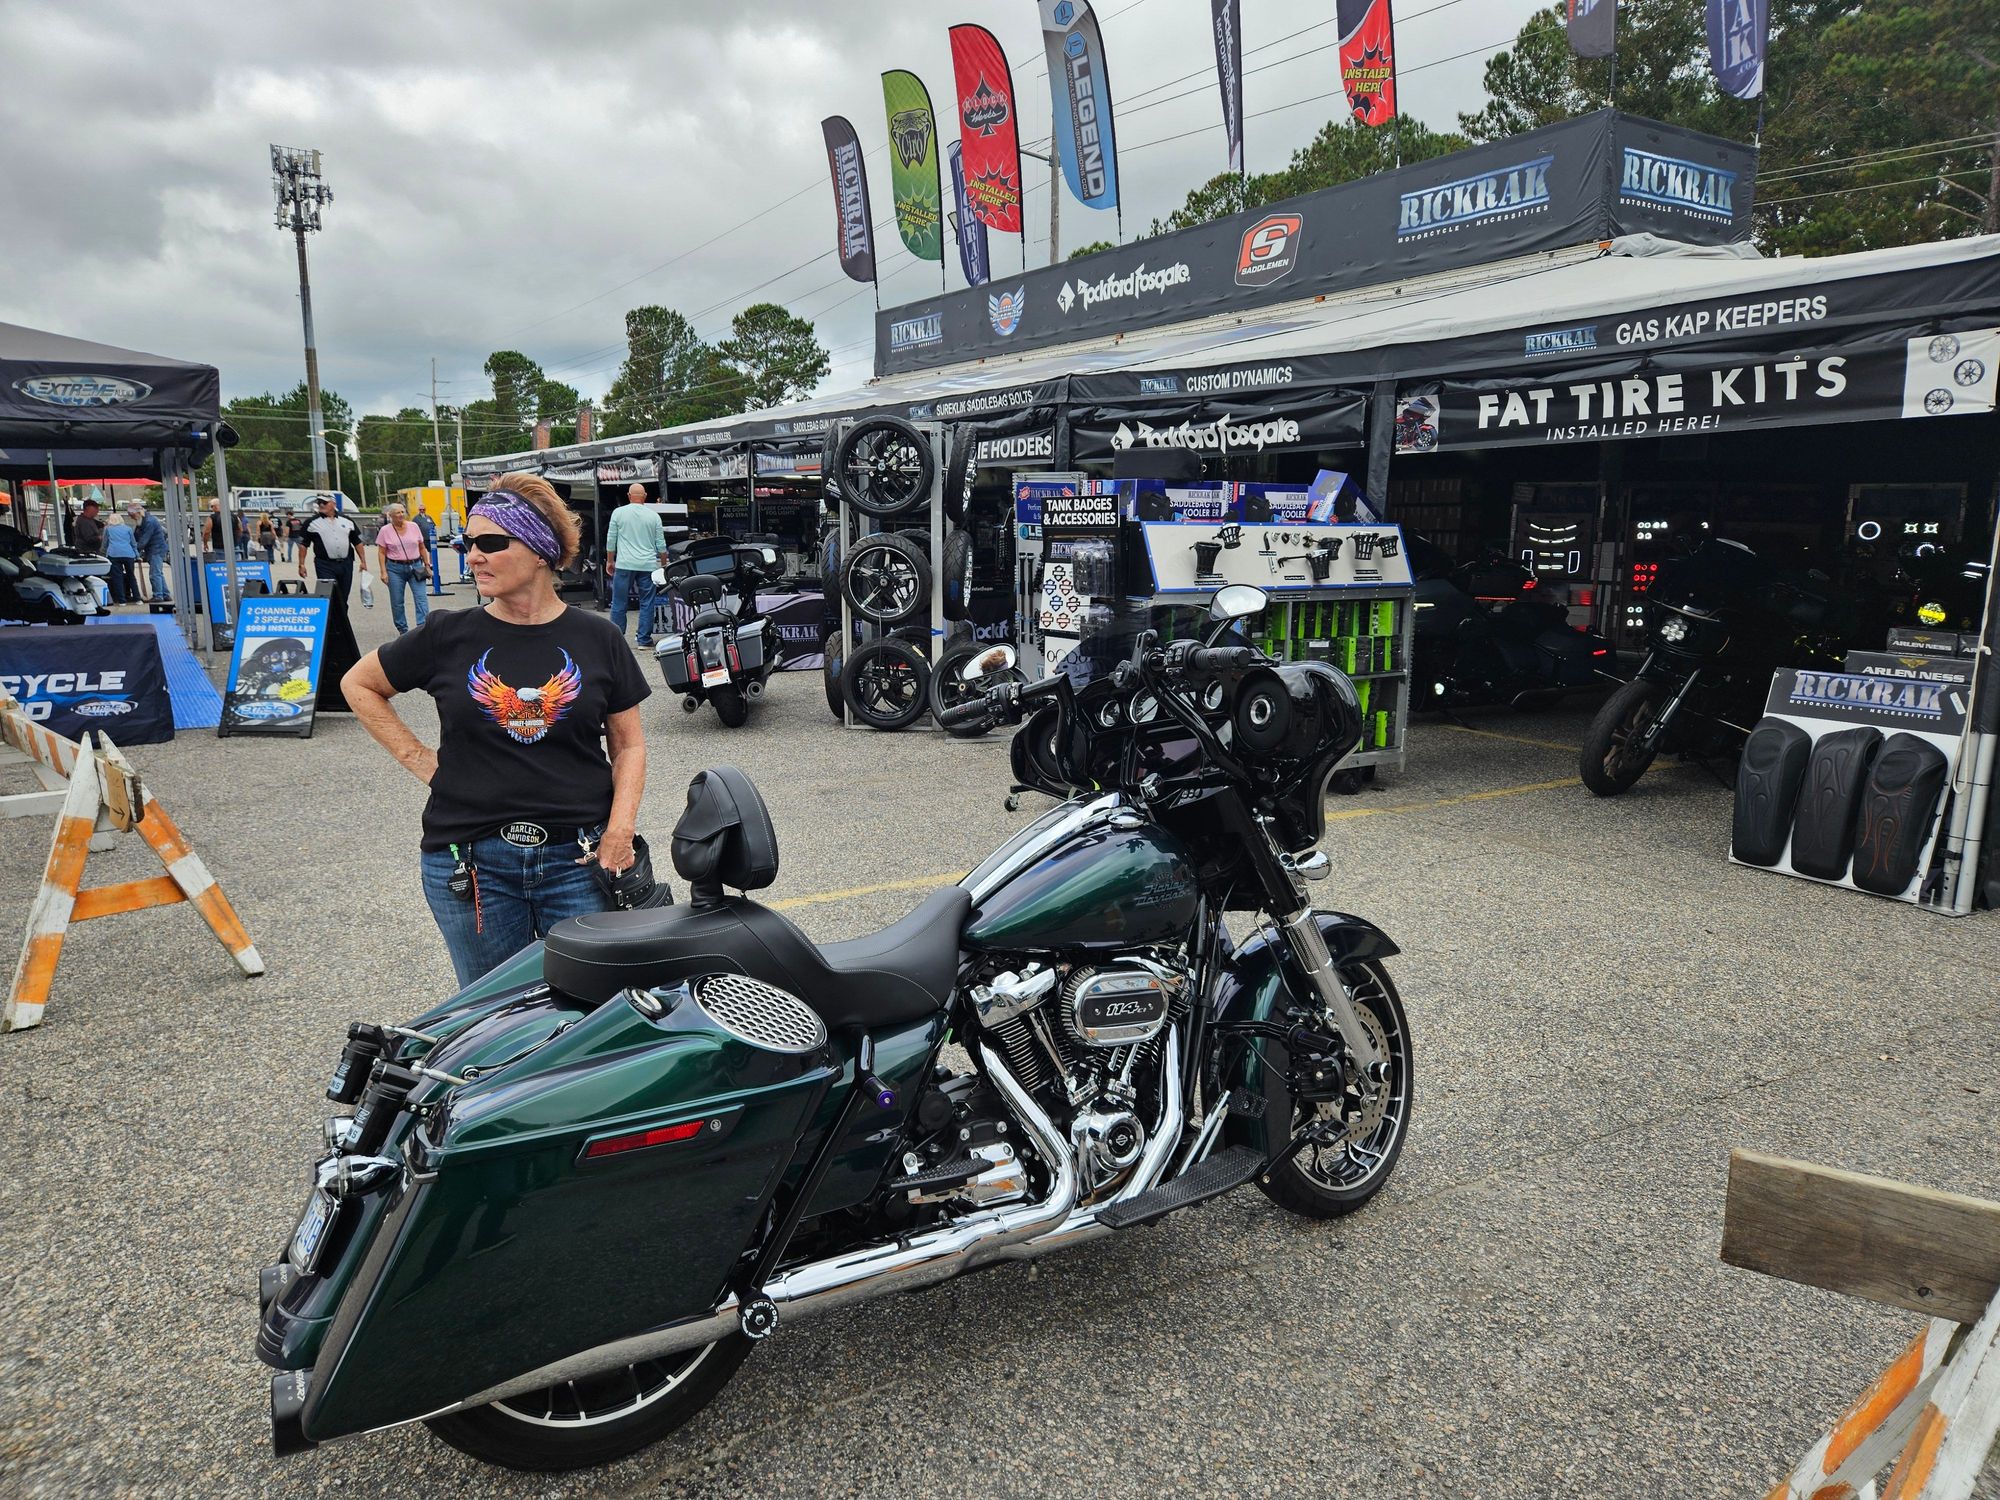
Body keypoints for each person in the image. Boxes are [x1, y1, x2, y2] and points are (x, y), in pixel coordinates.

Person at [341, 472, 651, 986]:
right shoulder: (448, 633)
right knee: (491, 1012)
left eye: (490, 543)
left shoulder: (599, 637)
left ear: (540, 550)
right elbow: (359, 683)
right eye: (467, 544)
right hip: (472, 864)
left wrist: (619, 830)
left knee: (591, 1005)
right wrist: (423, 762)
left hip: (578, 862)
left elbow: (629, 745)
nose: (473, 557)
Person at [604, 482, 669, 647]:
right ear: (645, 496)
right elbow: (661, 545)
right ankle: (643, 640)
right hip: (647, 565)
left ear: (628, 496)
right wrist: (663, 565)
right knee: (647, 603)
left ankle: (617, 641)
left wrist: (610, 561)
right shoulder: (654, 516)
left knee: (619, 602)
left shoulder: (618, 513)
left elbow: (611, 540)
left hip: (624, 564)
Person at [297, 493, 362, 613]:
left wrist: (363, 561)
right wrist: (301, 564)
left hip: (346, 563)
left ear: (333, 503)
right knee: (328, 594)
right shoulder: (311, 522)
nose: (321, 505)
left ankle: (342, 622)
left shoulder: (347, 520)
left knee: (343, 595)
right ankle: (329, 622)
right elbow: (303, 545)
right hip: (324, 564)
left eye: (324, 502)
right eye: (319, 503)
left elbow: (357, 542)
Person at [374, 501, 431, 634]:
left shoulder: (414, 526)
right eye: (397, 513)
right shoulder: (385, 530)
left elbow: (422, 547)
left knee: (421, 598)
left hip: (416, 566)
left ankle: (422, 628)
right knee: (397, 601)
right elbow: (381, 552)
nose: (400, 515)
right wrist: (383, 571)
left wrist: (427, 565)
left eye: (402, 512)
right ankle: (403, 630)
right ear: (391, 516)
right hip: (395, 568)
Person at [128, 503, 170, 601]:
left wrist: (134, 551)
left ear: (138, 513)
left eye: (132, 516)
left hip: (156, 549)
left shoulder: (149, 522)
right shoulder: (143, 521)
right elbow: (136, 536)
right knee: (158, 573)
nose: (132, 518)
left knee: (154, 574)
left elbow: (144, 540)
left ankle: (158, 596)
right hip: (155, 549)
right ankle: (165, 594)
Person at [102, 507, 139, 603]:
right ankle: (137, 598)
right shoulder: (128, 529)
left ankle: (122, 600)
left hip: (113, 554)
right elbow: (133, 543)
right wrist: (137, 555)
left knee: (117, 578)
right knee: (131, 576)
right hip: (129, 554)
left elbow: (105, 543)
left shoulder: (108, 529)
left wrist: (103, 553)